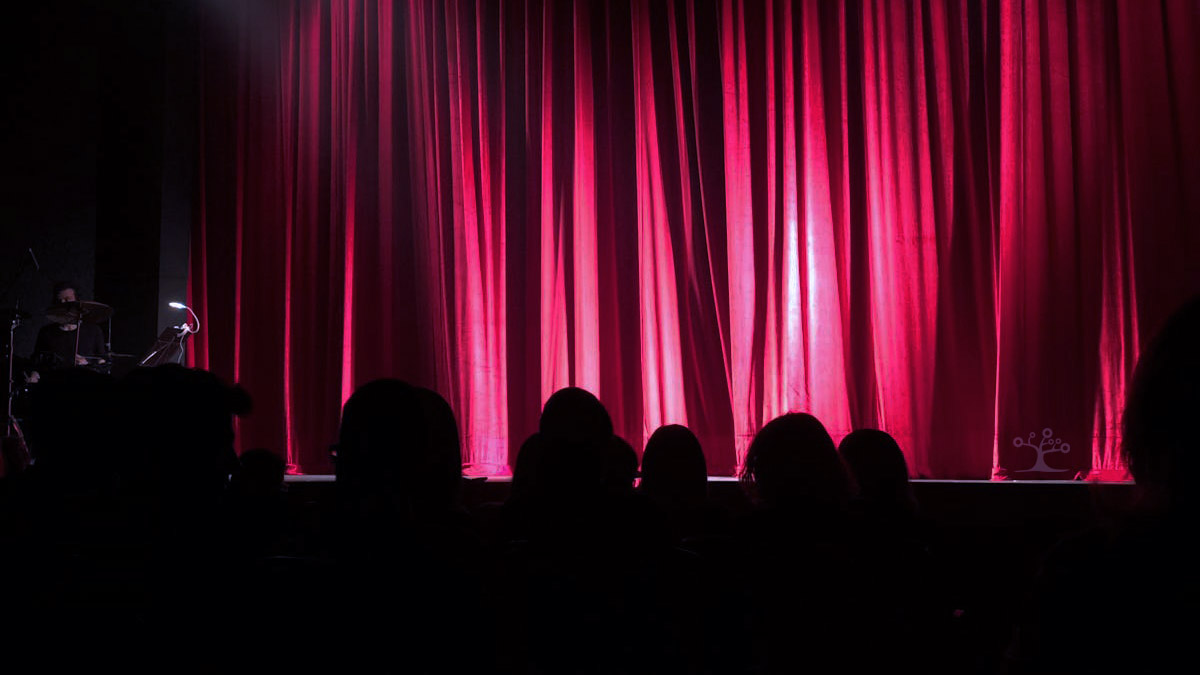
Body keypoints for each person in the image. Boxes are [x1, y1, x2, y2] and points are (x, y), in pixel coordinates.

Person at [30, 281, 105, 377]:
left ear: (78, 302)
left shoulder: (94, 331)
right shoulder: (46, 332)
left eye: (67, 300)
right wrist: (34, 374)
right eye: (60, 301)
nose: (63, 305)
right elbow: (36, 362)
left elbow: (103, 361)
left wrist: (87, 362)